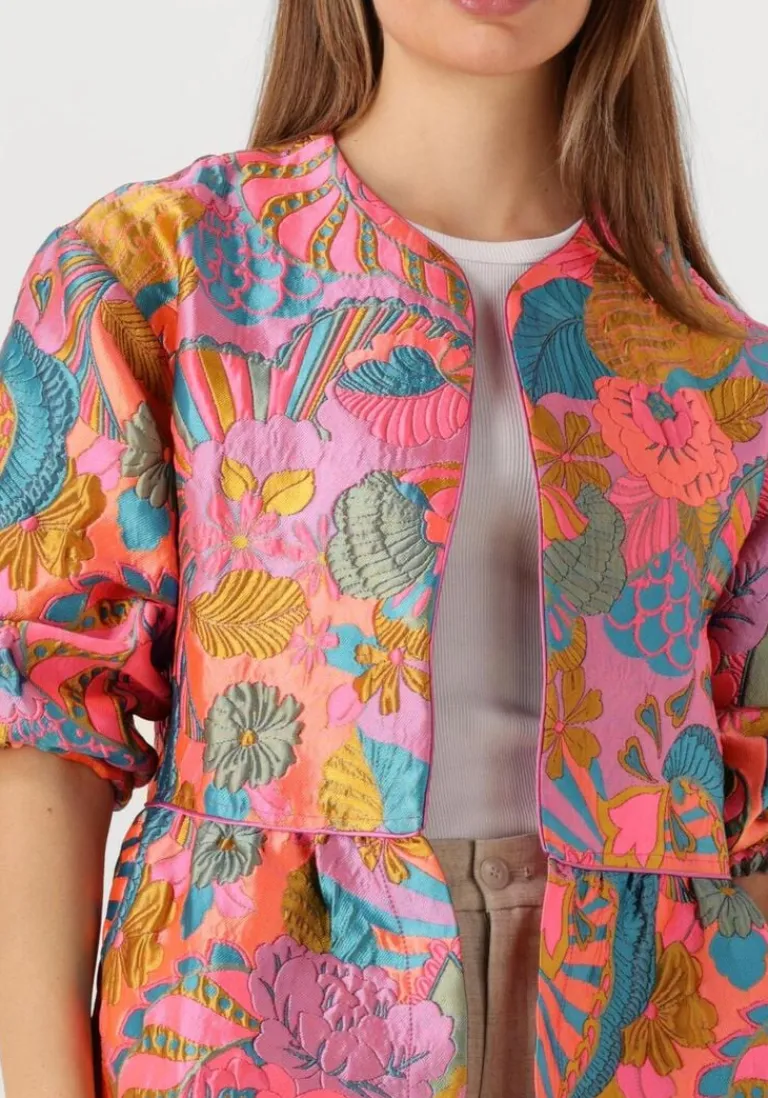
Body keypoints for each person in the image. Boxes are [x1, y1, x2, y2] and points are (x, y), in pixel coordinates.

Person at [1, 0, 767, 1095]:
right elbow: (41, 712)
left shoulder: (721, 371)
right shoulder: (158, 279)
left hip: (653, 1037)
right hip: (247, 1032)